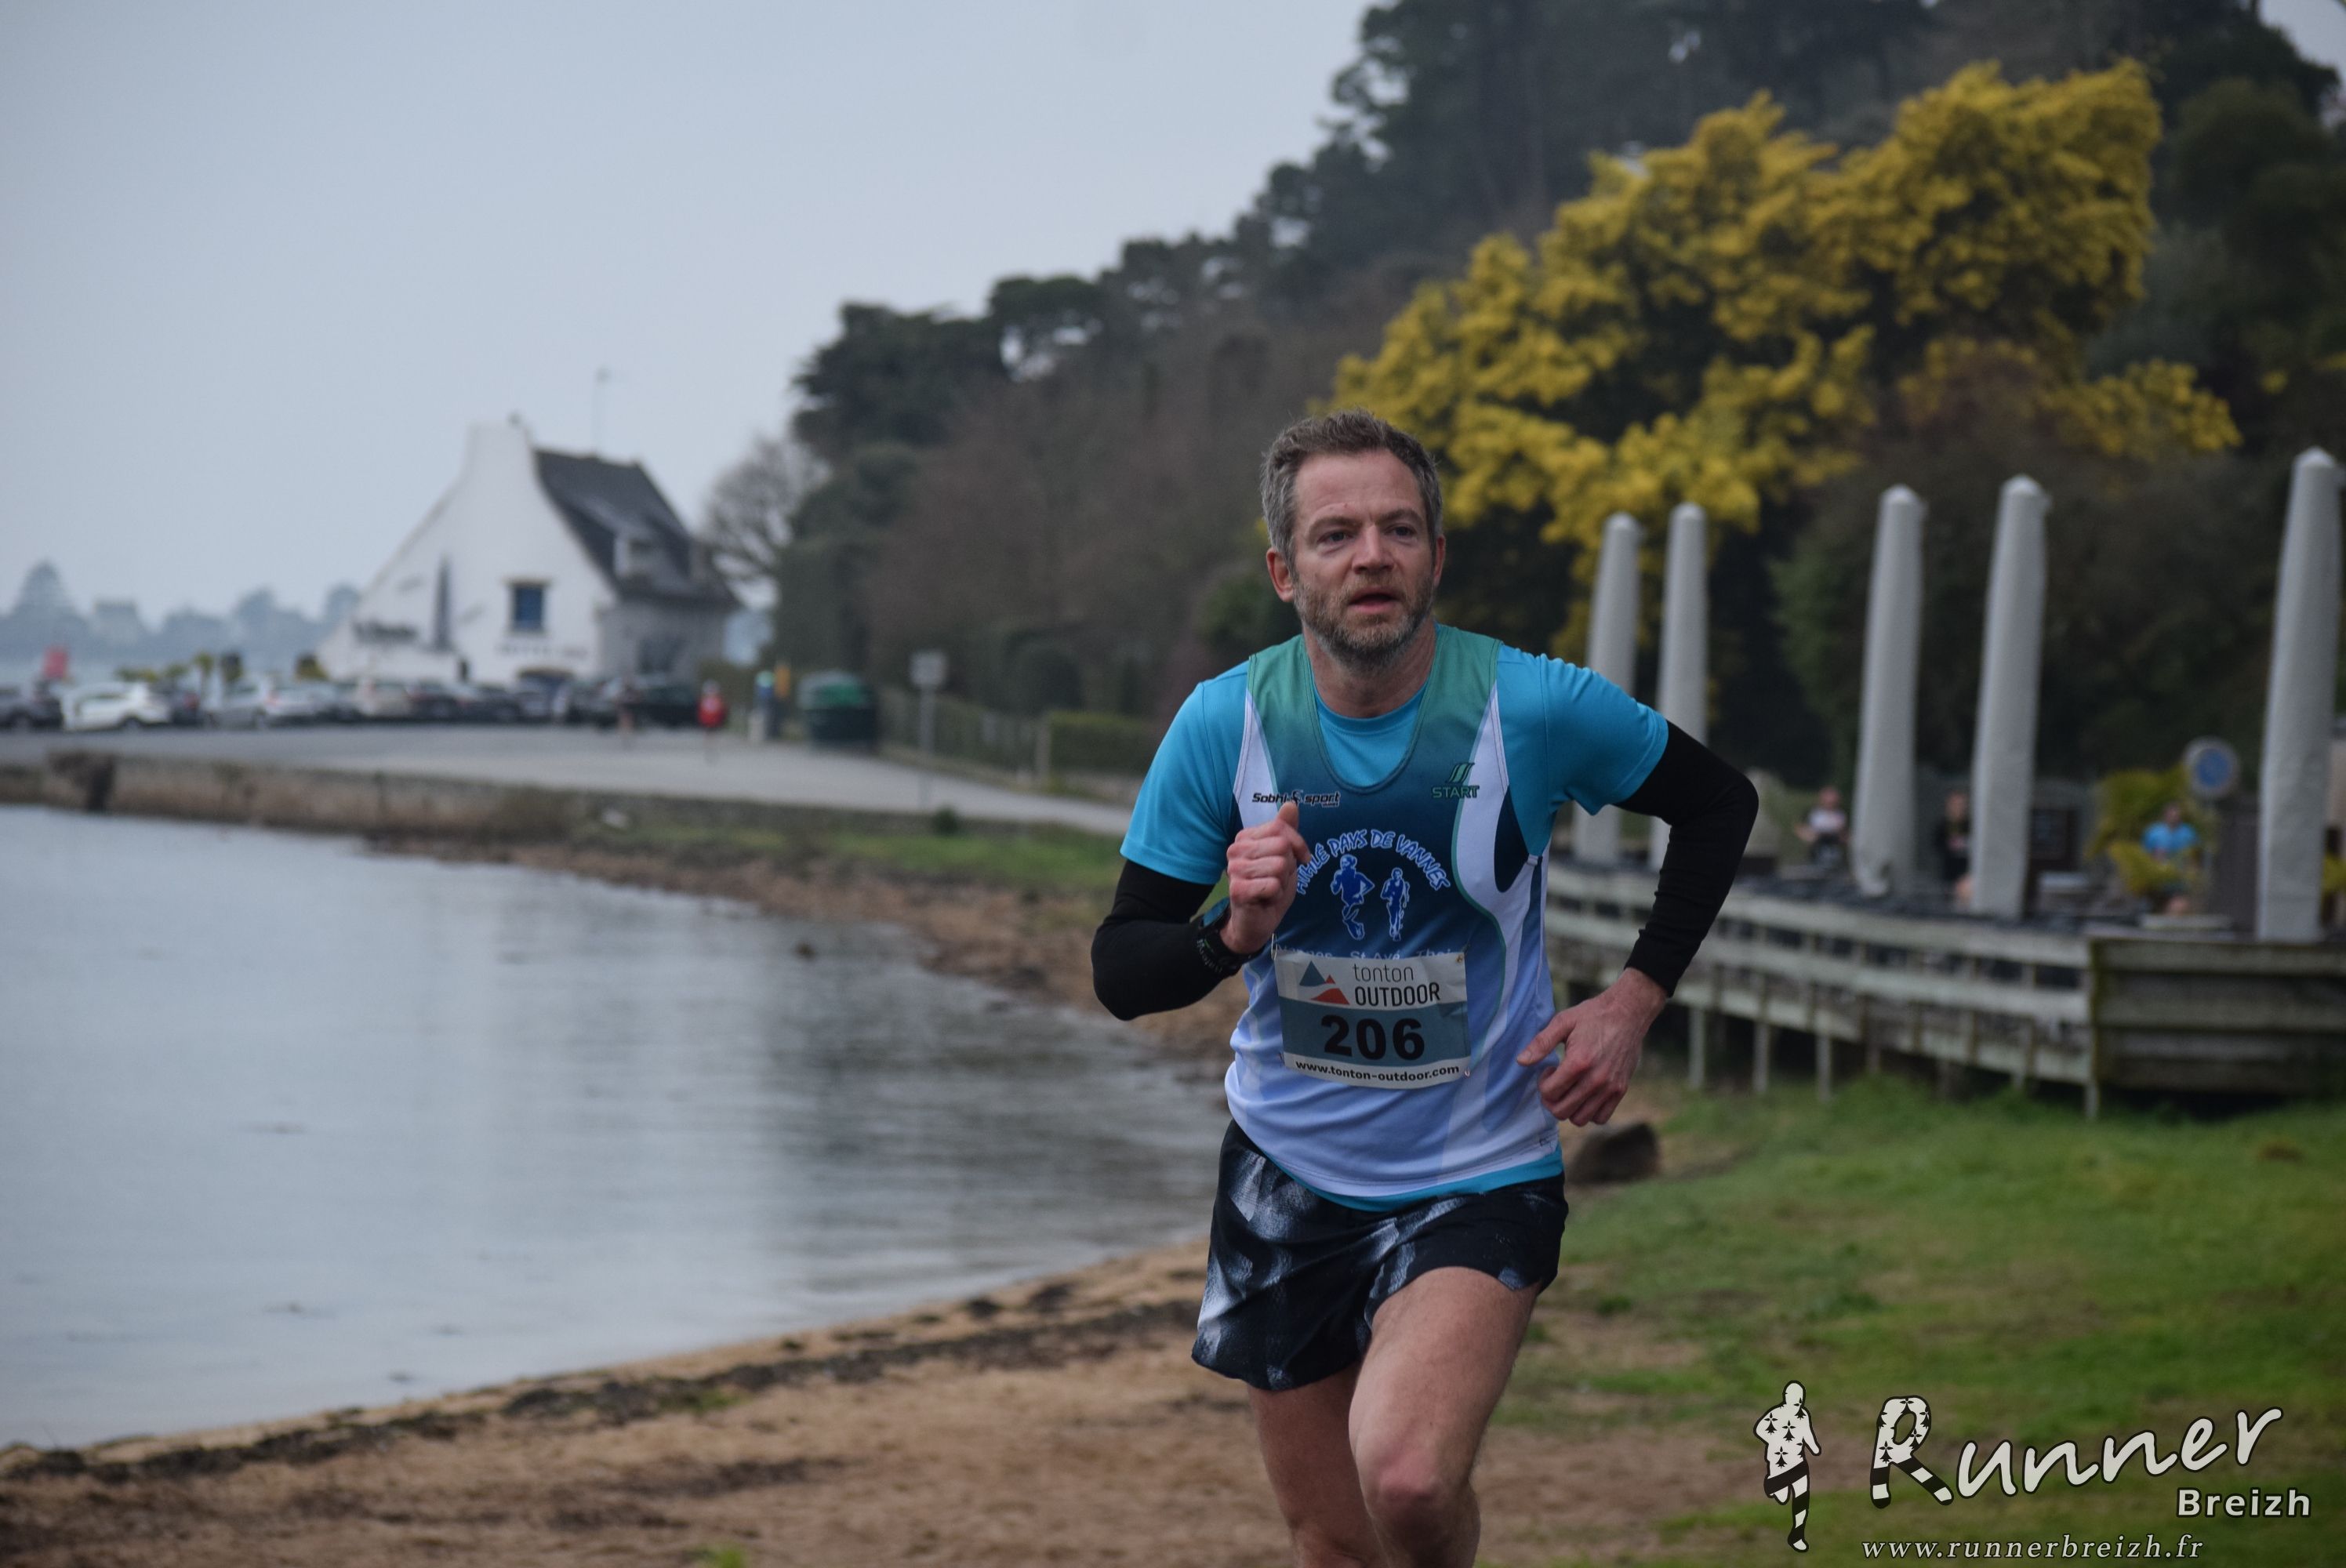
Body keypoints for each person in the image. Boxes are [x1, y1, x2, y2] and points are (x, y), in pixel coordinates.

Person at [1091, 410, 1756, 1568]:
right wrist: (1231, 932)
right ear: (1284, 571)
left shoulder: (1530, 706)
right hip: (1284, 1175)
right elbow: (1120, 967)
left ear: (1436, 557)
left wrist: (1633, 999)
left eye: (1399, 530)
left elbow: (1717, 804)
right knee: (1333, 1543)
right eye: (1336, 534)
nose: (1372, 557)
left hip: (1476, 1169)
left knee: (1404, 1478)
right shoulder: (1224, 723)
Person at [1795, 784, 1848, 872]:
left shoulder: (1841, 815)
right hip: (1817, 848)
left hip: (1834, 849)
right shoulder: (1814, 814)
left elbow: (1844, 834)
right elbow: (1800, 829)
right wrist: (1810, 836)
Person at [1934, 787, 1973, 905]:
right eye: (1955, 804)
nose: (1958, 807)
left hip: (1967, 872)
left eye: (1961, 804)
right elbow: (1937, 846)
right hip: (1949, 873)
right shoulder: (1942, 826)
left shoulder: (1971, 825)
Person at [697, 679, 728, 760]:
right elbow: (701, 712)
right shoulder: (706, 700)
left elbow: (722, 711)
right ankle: (709, 750)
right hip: (708, 721)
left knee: (713, 736)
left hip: (715, 721)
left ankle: (712, 750)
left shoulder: (717, 700)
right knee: (709, 736)